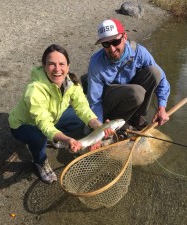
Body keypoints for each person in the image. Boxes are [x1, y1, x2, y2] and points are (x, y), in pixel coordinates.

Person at [8, 44, 113, 184]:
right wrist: (66, 139)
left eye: (62, 64)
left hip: (52, 119)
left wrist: (99, 126)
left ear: (68, 66)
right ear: (44, 66)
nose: (57, 69)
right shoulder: (34, 90)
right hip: (23, 125)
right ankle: (40, 162)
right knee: (40, 136)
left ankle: (54, 138)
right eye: (51, 64)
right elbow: (43, 123)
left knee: (80, 119)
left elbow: (83, 109)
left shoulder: (71, 83)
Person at [86, 18, 170, 132]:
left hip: (130, 94)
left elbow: (162, 79)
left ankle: (135, 117)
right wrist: (99, 127)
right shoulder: (96, 63)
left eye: (115, 42)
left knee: (155, 72)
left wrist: (162, 108)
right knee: (137, 92)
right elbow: (95, 101)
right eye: (106, 44)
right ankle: (114, 121)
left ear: (124, 37)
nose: (112, 49)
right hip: (109, 101)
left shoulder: (140, 52)